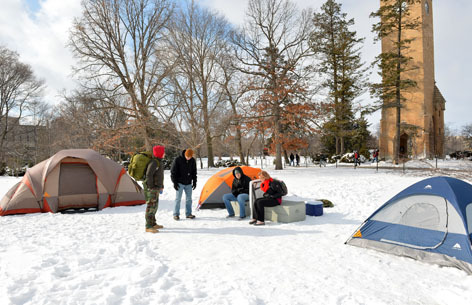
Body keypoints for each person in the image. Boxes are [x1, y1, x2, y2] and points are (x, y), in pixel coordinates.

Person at [171, 148, 197, 220]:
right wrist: (175, 183)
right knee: (178, 199)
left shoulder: (192, 161)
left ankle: (188, 214)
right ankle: (176, 214)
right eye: (187, 157)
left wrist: (194, 182)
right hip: (180, 183)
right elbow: (173, 172)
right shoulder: (178, 160)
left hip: (188, 183)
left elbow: (194, 172)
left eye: (190, 157)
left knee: (189, 199)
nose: (188, 158)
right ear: (185, 154)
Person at [144, 145, 165, 233]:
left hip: (156, 188)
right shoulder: (154, 162)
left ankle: (153, 223)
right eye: (163, 152)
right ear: (160, 153)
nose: (165, 153)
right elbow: (149, 175)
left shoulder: (159, 162)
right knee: (151, 206)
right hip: (152, 188)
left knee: (155, 206)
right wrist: (151, 186)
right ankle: (148, 226)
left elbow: (159, 176)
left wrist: (161, 186)